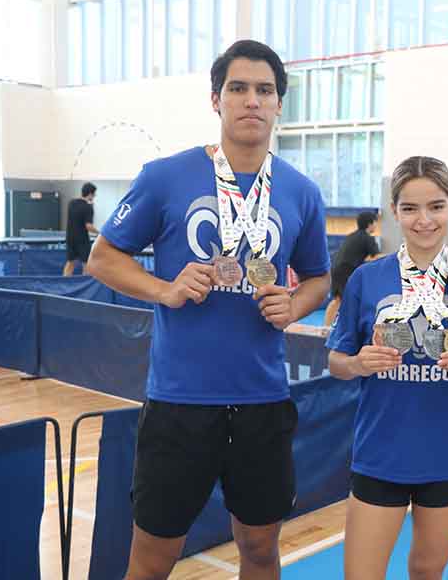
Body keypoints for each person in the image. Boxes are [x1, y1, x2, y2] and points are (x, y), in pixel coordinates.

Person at [86, 39, 331, 580]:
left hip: (263, 402)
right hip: (180, 404)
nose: (251, 100)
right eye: (238, 88)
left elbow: (320, 279)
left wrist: (293, 305)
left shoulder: (301, 192)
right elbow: (102, 258)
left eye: (264, 90)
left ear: (278, 105)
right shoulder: (165, 176)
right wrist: (164, 289)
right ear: (216, 100)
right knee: (151, 561)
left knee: (262, 552)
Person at [327, 156, 448, 580]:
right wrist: (358, 363)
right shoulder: (366, 280)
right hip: (381, 452)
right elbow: (336, 362)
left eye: (435, 206)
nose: (423, 220)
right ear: (394, 211)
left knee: (427, 571)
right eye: (410, 208)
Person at [323, 211, 380, 328]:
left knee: (338, 300)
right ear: (370, 224)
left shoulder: (352, 236)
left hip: (337, 269)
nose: (376, 225)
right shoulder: (367, 238)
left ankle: (326, 326)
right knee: (343, 300)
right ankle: (332, 327)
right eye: (375, 222)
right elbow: (377, 257)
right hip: (346, 272)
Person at [62, 182, 98, 276]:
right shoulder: (88, 207)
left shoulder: (71, 203)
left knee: (70, 262)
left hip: (70, 238)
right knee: (86, 264)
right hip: (82, 239)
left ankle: (64, 283)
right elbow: (88, 226)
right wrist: (100, 233)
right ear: (90, 194)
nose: (94, 196)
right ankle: (85, 286)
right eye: (94, 194)